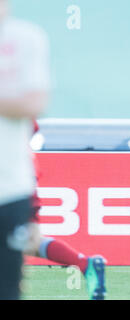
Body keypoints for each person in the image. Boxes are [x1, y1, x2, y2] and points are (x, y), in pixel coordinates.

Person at [25, 120, 107, 300]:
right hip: (16, 174)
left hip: (14, 177)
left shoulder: (12, 101)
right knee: (26, 241)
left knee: (24, 239)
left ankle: (85, 264)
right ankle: (85, 264)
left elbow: (29, 127)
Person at [0, 0, 49, 299]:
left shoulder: (26, 38)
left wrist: (33, 215)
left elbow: (34, 104)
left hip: (9, 189)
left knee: (7, 288)